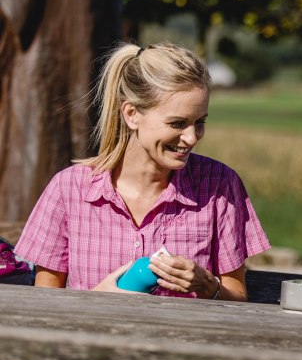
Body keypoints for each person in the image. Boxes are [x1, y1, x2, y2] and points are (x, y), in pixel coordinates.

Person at [13, 43, 270, 301]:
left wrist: (206, 285)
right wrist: (93, 300)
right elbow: (45, 302)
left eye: (199, 122)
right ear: (132, 114)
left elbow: (238, 297)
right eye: (177, 123)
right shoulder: (69, 189)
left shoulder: (220, 185)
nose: (192, 137)